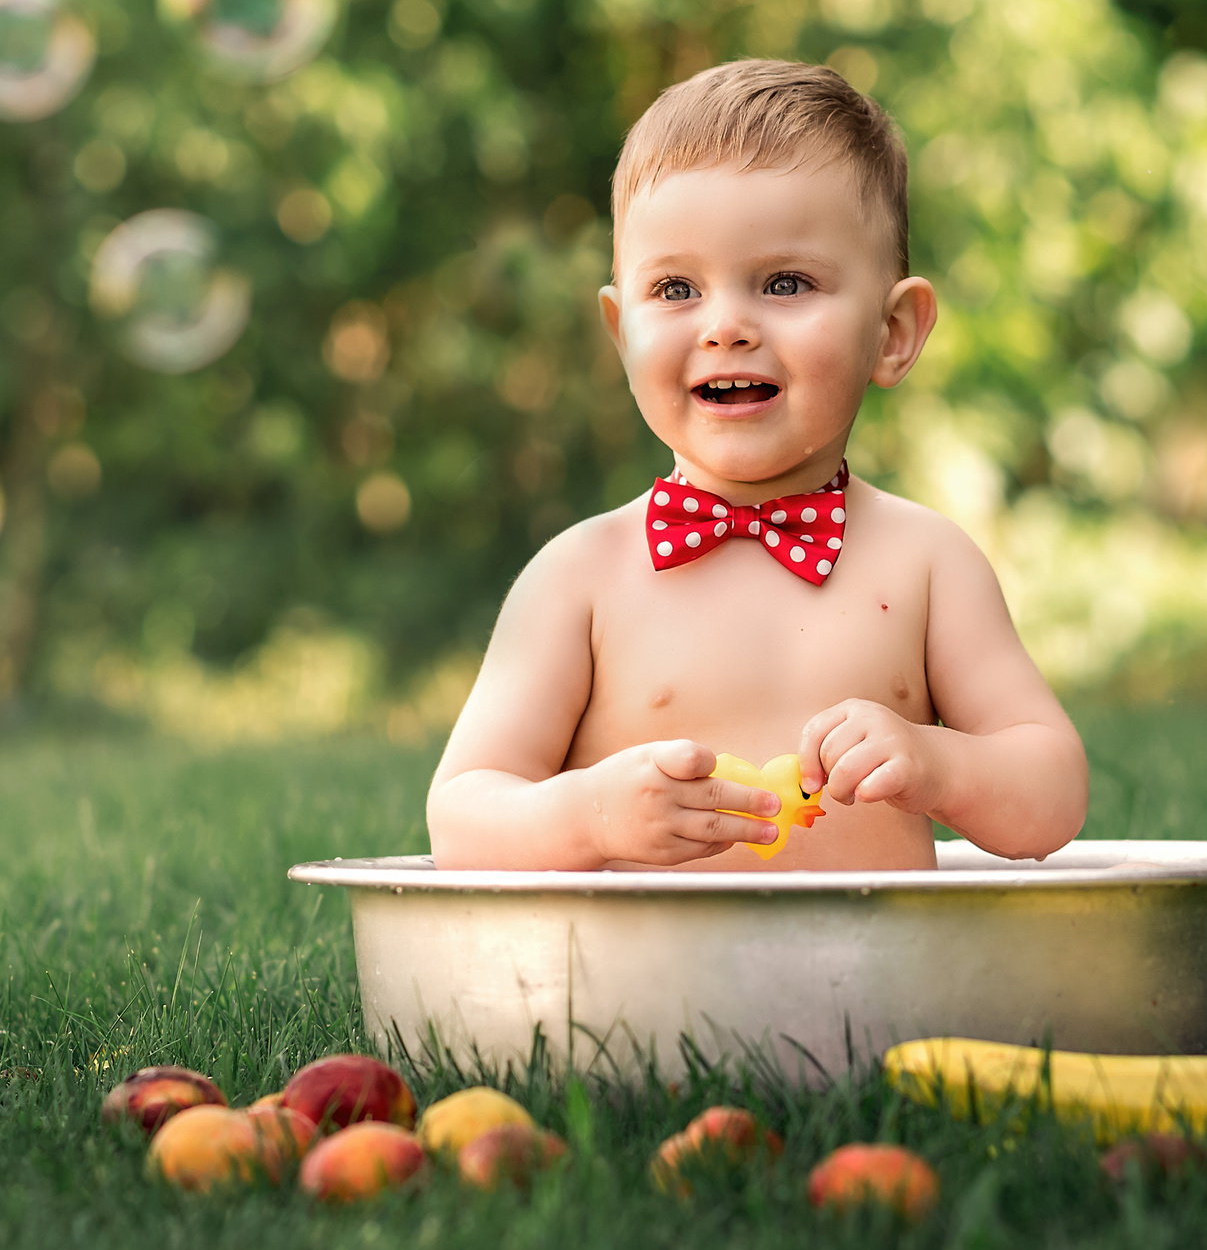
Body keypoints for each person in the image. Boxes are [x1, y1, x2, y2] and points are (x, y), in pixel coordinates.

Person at [427, 60, 1089, 870]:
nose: (727, 326)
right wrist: (590, 815)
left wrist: (939, 763)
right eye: (676, 290)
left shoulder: (927, 563)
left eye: (785, 283)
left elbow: (1053, 795)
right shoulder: (579, 578)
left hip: (880, 958)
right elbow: (461, 818)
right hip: (643, 961)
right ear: (621, 332)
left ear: (892, 333)